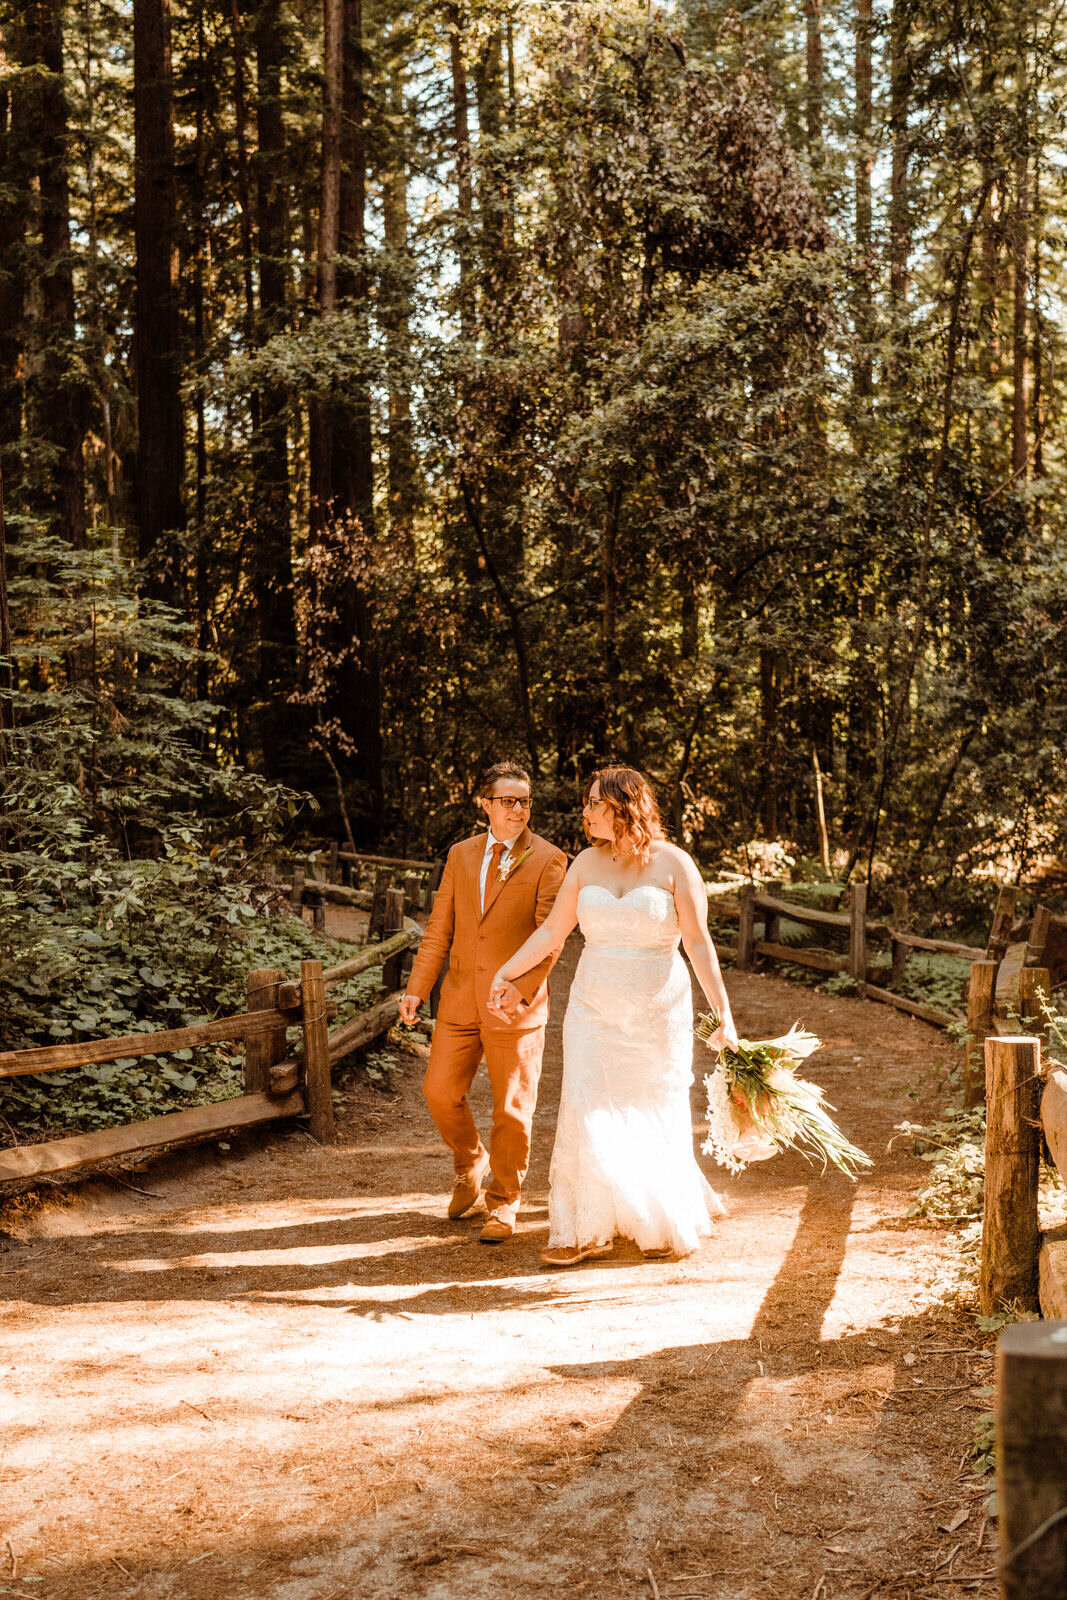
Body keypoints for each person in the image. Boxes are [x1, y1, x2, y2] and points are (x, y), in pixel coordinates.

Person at [488, 765, 738, 1267]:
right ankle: (586, 1228)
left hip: (657, 1008)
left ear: (623, 807)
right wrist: (506, 973)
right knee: (585, 1105)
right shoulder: (584, 862)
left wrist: (723, 1017)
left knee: (653, 1103)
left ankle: (659, 1214)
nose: (585, 812)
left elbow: (697, 942)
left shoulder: (674, 864)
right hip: (593, 1007)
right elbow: (552, 933)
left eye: (594, 803)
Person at [399, 762, 567, 1243]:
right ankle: (470, 1161)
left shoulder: (550, 858)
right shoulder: (461, 854)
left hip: (515, 1005)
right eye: (508, 800)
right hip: (457, 999)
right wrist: (417, 988)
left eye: (525, 801)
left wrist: (522, 986)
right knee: (438, 1092)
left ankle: (505, 1201)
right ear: (485, 804)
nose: (518, 809)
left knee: (511, 1110)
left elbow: (549, 937)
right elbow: (440, 927)